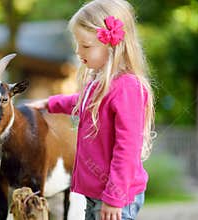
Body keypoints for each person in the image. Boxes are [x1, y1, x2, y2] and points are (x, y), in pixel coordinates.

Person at [26, 0, 156, 219]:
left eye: (85, 46)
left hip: (116, 197)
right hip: (97, 193)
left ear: (113, 45)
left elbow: (127, 148)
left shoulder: (127, 87)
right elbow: (81, 103)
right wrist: (50, 104)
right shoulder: (100, 84)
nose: (78, 51)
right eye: (77, 44)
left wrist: (114, 197)